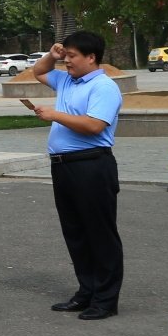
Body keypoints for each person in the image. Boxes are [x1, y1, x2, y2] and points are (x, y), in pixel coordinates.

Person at [29, 31, 124, 320]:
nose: (67, 61)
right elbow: (39, 71)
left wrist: (54, 115)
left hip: (91, 166)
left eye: (72, 56)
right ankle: (87, 291)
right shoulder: (67, 80)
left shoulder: (104, 87)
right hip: (63, 166)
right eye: (65, 55)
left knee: (99, 233)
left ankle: (105, 300)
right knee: (76, 233)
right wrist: (52, 55)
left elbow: (95, 126)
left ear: (91, 57)